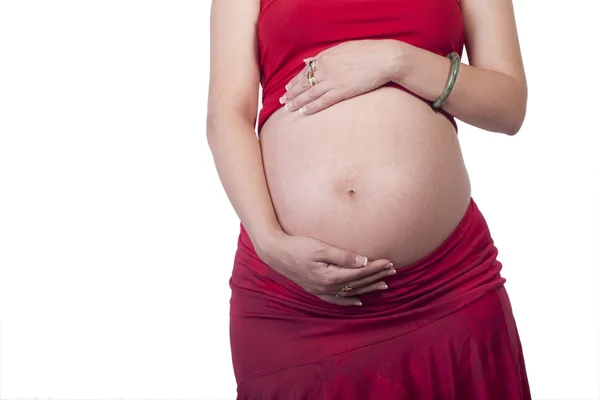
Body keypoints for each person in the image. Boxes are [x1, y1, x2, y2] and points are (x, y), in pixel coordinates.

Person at [207, 0, 531, 398]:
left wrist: (397, 59)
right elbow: (227, 115)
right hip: (294, 300)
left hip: (445, 287)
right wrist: (268, 242)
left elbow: (508, 106)